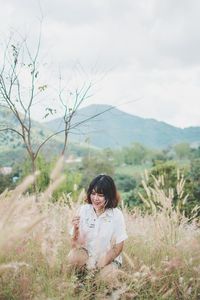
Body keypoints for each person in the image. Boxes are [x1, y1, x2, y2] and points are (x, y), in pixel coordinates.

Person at [67, 174, 128, 272]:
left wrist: (98, 266)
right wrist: (76, 229)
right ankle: (81, 278)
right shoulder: (83, 210)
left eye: (100, 195)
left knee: (106, 279)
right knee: (73, 257)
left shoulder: (116, 215)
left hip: (108, 260)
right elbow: (74, 245)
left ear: (109, 195)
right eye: (93, 193)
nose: (95, 198)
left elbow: (118, 248)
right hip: (87, 257)